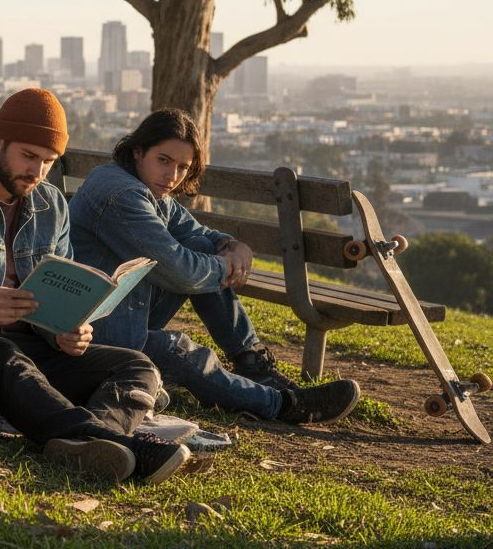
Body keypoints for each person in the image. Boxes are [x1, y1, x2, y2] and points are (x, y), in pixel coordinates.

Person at [0, 88, 192, 485]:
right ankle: (98, 439)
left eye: (49, 162)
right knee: (2, 350)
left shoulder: (51, 204)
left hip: (27, 346)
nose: (38, 172)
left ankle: (88, 442)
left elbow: (55, 293)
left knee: (136, 365)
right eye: (29, 156)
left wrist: (66, 329)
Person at [70, 108, 361, 425]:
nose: (172, 175)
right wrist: (224, 267)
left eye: (183, 167)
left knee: (203, 248)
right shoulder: (123, 195)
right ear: (138, 151)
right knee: (181, 351)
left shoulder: (144, 184)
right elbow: (180, 271)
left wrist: (230, 245)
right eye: (164, 160)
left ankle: (251, 362)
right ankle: (283, 405)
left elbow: (195, 234)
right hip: (95, 334)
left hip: (127, 311)